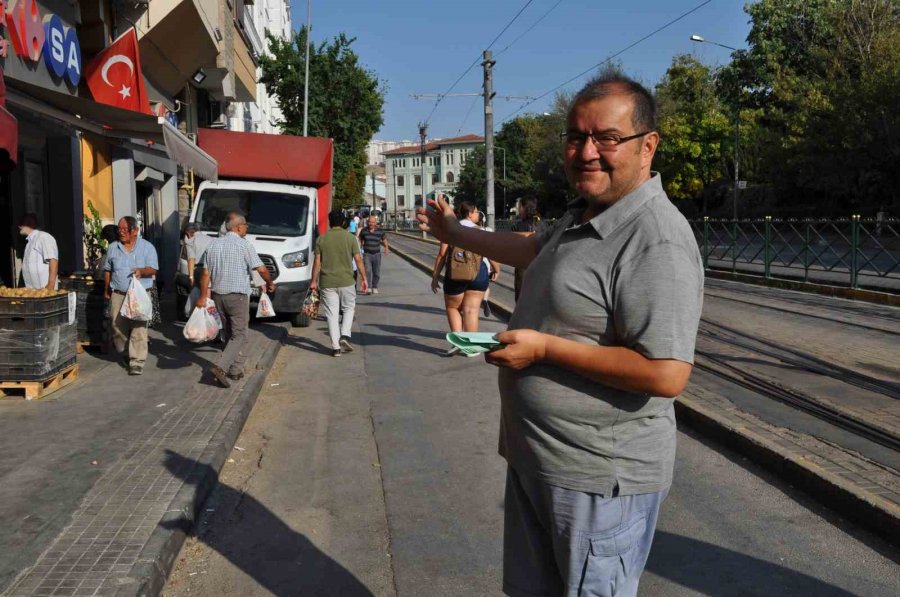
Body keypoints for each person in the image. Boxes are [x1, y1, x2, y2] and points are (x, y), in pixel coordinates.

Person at [417, 72, 703, 596]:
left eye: (607, 138)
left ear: (648, 146)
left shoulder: (655, 238)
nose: (586, 152)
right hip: (543, 462)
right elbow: (530, 247)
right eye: (576, 137)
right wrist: (456, 233)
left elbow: (666, 373)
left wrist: (545, 348)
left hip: (598, 480)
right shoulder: (586, 214)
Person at [196, 215, 275, 388]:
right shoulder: (244, 245)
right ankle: (221, 367)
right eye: (245, 225)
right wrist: (269, 282)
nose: (247, 228)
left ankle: (235, 369)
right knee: (240, 334)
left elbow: (205, 274)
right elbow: (261, 268)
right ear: (238, 227)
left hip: (218, 296)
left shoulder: (213, 245)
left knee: (230, 333)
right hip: (237, 296)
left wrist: (203, 296)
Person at [429, 201, 500, 357]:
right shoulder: (481, 230)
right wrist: (496, 268)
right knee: (471, 310)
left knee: (453, 308)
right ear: (471, 212)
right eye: (476, 212)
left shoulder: (451, 230)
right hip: (478, 274)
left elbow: (442, 254)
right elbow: (488, 252)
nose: (477, 215)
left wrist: (435, 277)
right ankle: (472, 348)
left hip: (456, 275)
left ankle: (457, 342)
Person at [104, 217, 160, 376]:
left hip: (140, 294)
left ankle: (137, 362)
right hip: (118, 294)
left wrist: (142, 272)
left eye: (124, 229)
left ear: (135, 230)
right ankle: (126, 353)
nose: (121, 233)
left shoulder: (147, 247)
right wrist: (106, 289)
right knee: (116, 327)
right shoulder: (113, 248)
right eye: (119, 229)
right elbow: (108, 269)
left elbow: (154, 269)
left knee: (139, 327)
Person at [310, 210, 368, 357]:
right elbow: (358, 259)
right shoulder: (350, 238)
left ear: (330, 222)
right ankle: (345, 335)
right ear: (343, 222)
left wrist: (313, 281)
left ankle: (336, 348)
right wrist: (364, 278)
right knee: (349, 308)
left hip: (327, 282)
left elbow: (317, 262)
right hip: (347, 281)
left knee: (331, 314)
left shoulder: (321, 239)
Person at [510, 196, 547, 301]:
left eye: (519, 207)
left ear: (524, 207)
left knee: (522, 298)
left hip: (523, 266)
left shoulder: (519, 225)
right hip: (541, 264)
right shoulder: (542, 223)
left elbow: (514, 247)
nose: (518, 209)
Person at [18, 213, 59, 290]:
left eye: (20, 224)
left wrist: (50, 285)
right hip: (33, 292)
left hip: (45, 292)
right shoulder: (29, 242)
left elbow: (53, 260)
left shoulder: (43, 237)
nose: (18, 227)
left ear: (26, 224)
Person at [358, 215, 390, 294]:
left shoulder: (380, 231)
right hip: (367, 254)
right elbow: (360, 239)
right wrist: (359, 248)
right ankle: (368, 287)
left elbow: (384, 239)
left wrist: (386, 248)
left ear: (375, 223)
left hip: (377, 254)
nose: (370, 223)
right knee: (368, 271)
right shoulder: (364, 230)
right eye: (369, 222)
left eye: (372, 222)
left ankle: (375, 286)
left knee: (376, 272)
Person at [183, 221, 213, 289]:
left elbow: (191, 258)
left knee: (197, 292)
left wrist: (191, 277)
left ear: (187, 233)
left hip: (199, 270)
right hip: (211, 269)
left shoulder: (190, 241)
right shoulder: (210, 239)